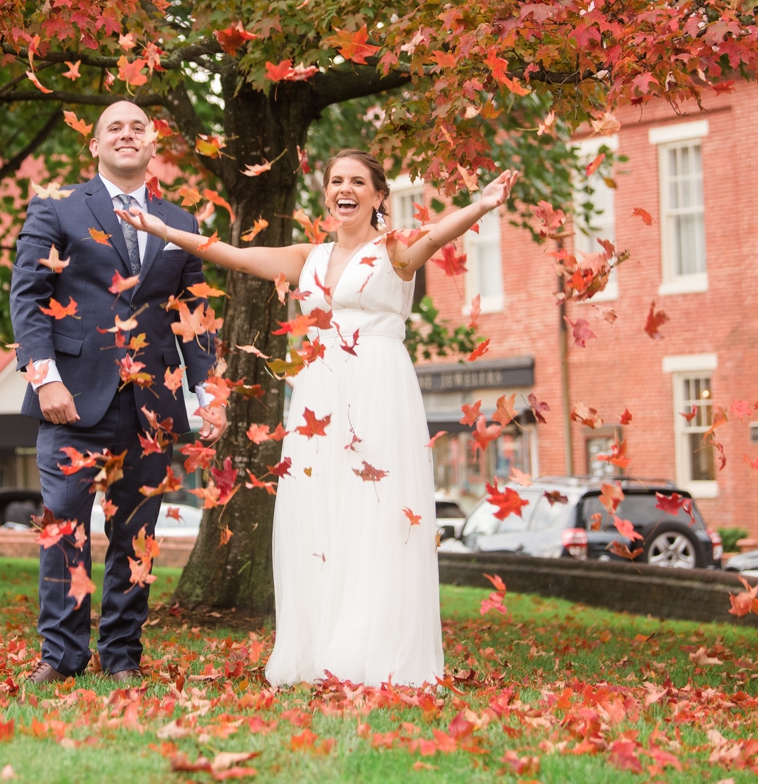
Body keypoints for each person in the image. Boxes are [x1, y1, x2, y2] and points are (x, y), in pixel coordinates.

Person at [121, 149, 517, 686]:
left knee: (374, 512)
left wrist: (482, 204)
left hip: (377, 388)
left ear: (379, 196)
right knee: (319, 513)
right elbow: (232, 255)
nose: (344, 189)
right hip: (318, 392)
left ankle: (370, 649)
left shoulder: (393, 252)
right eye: (335, 181)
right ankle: (321, 645)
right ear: (326, 192)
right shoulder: (308, 256)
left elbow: (436, 235)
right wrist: (163, 228)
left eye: (357, 181)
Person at [9, 101, 217, 684]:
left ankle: (123, 657)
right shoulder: (57, 208)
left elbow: (193, 311)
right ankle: (62, 656)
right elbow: (27, 297)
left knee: (138, 537)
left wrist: (208, 393)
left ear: (153, 146)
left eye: (138, 128)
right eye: (114, 129)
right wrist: (45, 377)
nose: (127, 135)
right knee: (64, 530)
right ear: (94, 146)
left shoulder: (181, 221)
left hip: (152, 403)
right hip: (71, 399)